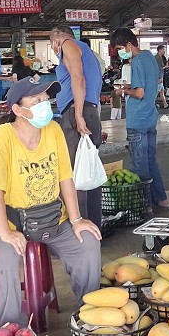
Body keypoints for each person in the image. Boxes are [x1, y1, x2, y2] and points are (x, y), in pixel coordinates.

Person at [0, 79, 101, 327]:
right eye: (36, 100)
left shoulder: (53, 130)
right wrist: (5, 233)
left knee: (87, 242)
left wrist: (76, 220)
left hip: (50, 217)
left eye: (46, 98)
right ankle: (9, 331)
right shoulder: (3, 136)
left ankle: (88, 317)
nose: (45, 104)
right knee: (9, 256)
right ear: (18, 110)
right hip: (7, 219)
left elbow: (66, 177)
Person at [49, 25, 105, 229]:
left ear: (56, 39)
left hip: (76, 112)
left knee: (74, 172)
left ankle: (79, 227)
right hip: (88, 110)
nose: (54, 50)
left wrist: (79, 115)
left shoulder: (68, 45)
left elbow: (78, 79)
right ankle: (93, 228)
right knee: (88, 171)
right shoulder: (87, 51)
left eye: (52, 44)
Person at [111, 28, 168, 209]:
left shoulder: (135, 62)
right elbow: (156, 81)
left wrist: (123, 91)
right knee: (151, 160)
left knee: (138, 163)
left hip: (137, 120)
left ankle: (145, 205)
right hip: (150, 117)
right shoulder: (150, 57)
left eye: (120, 48)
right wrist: (131, 85)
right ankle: (162, 199)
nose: (120, 52)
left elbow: (140, 92)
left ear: (129, 45)